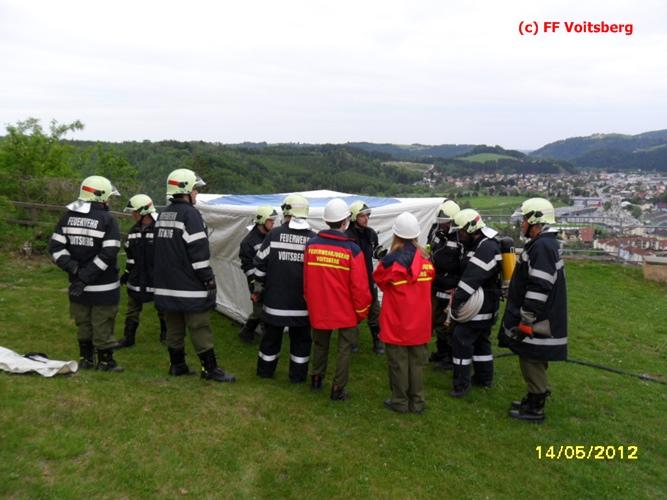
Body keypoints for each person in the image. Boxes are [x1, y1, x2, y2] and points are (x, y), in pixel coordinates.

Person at [153, 168, 235, 382]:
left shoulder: (163, 214)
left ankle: (177, 366)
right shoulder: (191, 215)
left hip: (165, 285)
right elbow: (198, 253)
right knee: (200, 327)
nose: (197, 193)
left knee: (174, 328)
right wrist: (208, 279)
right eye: (195, 189)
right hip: (189, 287)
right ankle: (210, 370)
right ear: (186, 191)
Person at [499, 198, 567, 422]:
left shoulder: (542, 247)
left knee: (531, 358)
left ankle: (536, 406)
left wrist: (526, 318)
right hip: (541, 316)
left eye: (525, 219)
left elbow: (539, 286)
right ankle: (533, 397)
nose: (522, 224)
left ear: (536, 221)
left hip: (538, 319)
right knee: (532, 357)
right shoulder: (544, 244)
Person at [47, 175, 123, 372]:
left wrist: (74, 269)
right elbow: (109, 253)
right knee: (103, 322)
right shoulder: (108, 220)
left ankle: (86, 360)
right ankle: (105, 362)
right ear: (100, 196)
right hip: (104, 286)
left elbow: (55, 248)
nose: (109, 201)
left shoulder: (67, 217)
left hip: (77, 285)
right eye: (108, 197)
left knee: (83, 323)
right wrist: (86, 275)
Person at [305, 198, 372, 401]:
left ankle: (316, 378)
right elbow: (360, 286)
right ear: (345, 221)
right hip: (346, 309)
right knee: (344, 350)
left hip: (320, 306)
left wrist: (310, 302)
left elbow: (307, 280)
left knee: (320, 344)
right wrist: (361, 312)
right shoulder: (352, 250)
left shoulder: (311, 245)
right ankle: (338, 389)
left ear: (327, 221)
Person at [374, 212, 434, 414]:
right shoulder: (427, 261)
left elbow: (379, 280)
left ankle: (399, 401)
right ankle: (417, 401)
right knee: (417, 364)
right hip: (420, 321)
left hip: (397, 321)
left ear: (396, 235)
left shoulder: (390, 263)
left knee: (398, 363)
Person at [253, 193, 315, 383]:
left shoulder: (274, 235)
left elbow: (259, 264)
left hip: (275, 302)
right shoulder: (313, 239)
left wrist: (259, 289)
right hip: (302, 305)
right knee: (301, 341)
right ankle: (298, 376)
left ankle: (265, 372)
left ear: (287, 212)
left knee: (271, 339)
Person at [449, 209, 501, 397]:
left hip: (479, 307)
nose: (459, 235)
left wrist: (456, 303)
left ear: (471, 229)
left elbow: (471, 279)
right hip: (487, 305)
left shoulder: (485, 248)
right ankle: (483, 378)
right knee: (481, 342)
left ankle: (461, 385)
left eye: (461, 231)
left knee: (461, 340)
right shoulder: (481, 244)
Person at [115, 194, 165, 349]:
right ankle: (128, 338)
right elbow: (131, 257)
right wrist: (127, 273)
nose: (132, 215)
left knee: (163, 307)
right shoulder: (133, 231)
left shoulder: (161, 229)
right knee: (132, 308)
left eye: (134, 211)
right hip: (136, 278)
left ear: (144, 211)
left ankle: (166, 336)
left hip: (157, 278)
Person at [345, 201, 386, 354]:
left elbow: (375, 251)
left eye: (367, 215)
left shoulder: (371, 233)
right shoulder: (346, 236)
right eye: (362, 216)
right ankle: (351, 343)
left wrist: (380, 254)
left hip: (369, 279)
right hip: (352, 281)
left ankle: (377, 342)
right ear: (354, 217)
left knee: (375, 311)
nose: (366, 218)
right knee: (352, 313)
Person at [427, 199, 462, 369]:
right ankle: (441, 351)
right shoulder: (435, 230)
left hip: (451, 286)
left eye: (445, 222)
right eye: (441, 221)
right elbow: (430, 247)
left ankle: (449, 356)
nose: (442, 224)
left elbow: (462, 262)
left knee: (447, 323)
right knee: (435, 319)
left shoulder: (460, 236)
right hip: (435, 283)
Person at [237, 205, 278, 343]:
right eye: (270, 220)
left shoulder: (272, 236)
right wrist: (255, 285)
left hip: (270, 279)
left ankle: (255, 333)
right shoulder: (248, 242)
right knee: (259, 311)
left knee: (265, 309)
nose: (273, 223)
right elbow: (247, 266)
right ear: (262, 221)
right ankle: (249, 332)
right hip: (256, 281)